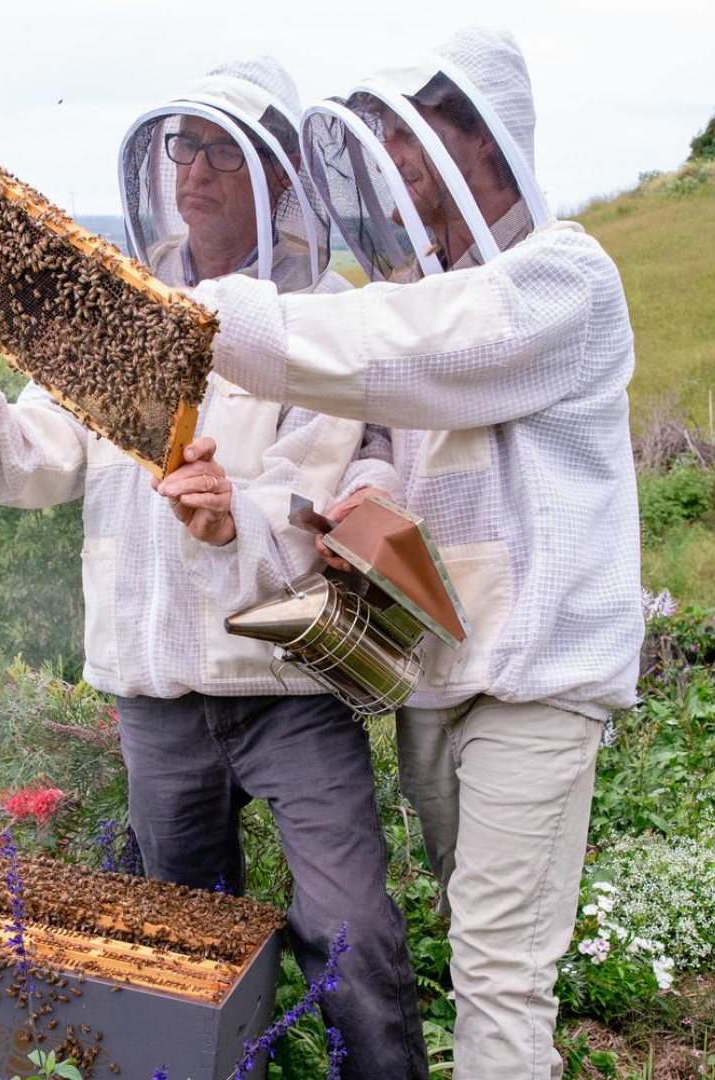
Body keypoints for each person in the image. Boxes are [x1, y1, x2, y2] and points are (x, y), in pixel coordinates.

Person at [0, 57, 429, 1080]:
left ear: (280, 175)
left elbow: (322, 497)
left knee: (353, 931)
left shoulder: (325, 320)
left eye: (220, 152)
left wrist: (235, 519)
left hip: (290, 692)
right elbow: (32, 463)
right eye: (179, 149)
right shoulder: (123, 313)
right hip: (155, 694)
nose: (192, 174)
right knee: (179, 957)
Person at [184, 28, 644, 1080]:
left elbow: (403, 348)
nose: (390, 160)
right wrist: (368, 498)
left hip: (539, 681)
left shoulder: (562, 280)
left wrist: (209, 313)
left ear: (479, 143)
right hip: (446, 678)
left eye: (411, 132)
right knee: (479, 936)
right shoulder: (439, 302)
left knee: (498, 970)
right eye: (380, 136)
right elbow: (419, 445)